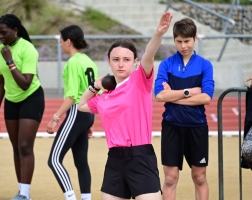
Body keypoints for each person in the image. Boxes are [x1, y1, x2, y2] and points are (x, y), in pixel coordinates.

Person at [78, 12, 173, 200]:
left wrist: (158, 34)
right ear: (109, 62)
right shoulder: (105, 96)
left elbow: (149, 54)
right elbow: (81, 105)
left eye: (127, 60)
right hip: (114, 159)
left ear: (134, 62)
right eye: (116, 59)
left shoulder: (139, 81)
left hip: (140, 157)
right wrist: (95, 85)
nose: (121, 64)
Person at [154, 18, 215, 200]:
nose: (183, 45)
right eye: (179, 41)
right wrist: (188, 92)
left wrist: (174, 95)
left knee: (199, 177)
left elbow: (206, 98)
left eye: (187, 41)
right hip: (172, 126)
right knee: (170, 179)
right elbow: (159, 96)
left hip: (197, 127)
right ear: (174, 40)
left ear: (195, 38)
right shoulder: (166, 64)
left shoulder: (205, 65)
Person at [0, 14, 45, 200]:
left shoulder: (28, 49)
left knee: (24, 146)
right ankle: (21, 190)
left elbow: (25, 84)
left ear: (15, 30)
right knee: (15, 147)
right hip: (11, 101)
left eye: (4, 33)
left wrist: (10, 61)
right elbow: (0, 82)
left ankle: (24, 194)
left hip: (31, 98)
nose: (1, 37)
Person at [46, 25, 98, 200]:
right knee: (81, 162)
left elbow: (71, 97)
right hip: (87, 113)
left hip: (77, 112)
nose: (60, 45)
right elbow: (94, 93)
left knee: (54, 160)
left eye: (61, 41)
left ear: (68, 41)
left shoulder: (73, 62)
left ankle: (70, 198)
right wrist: (89, 122)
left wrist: (55, 118)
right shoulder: (89, 62)